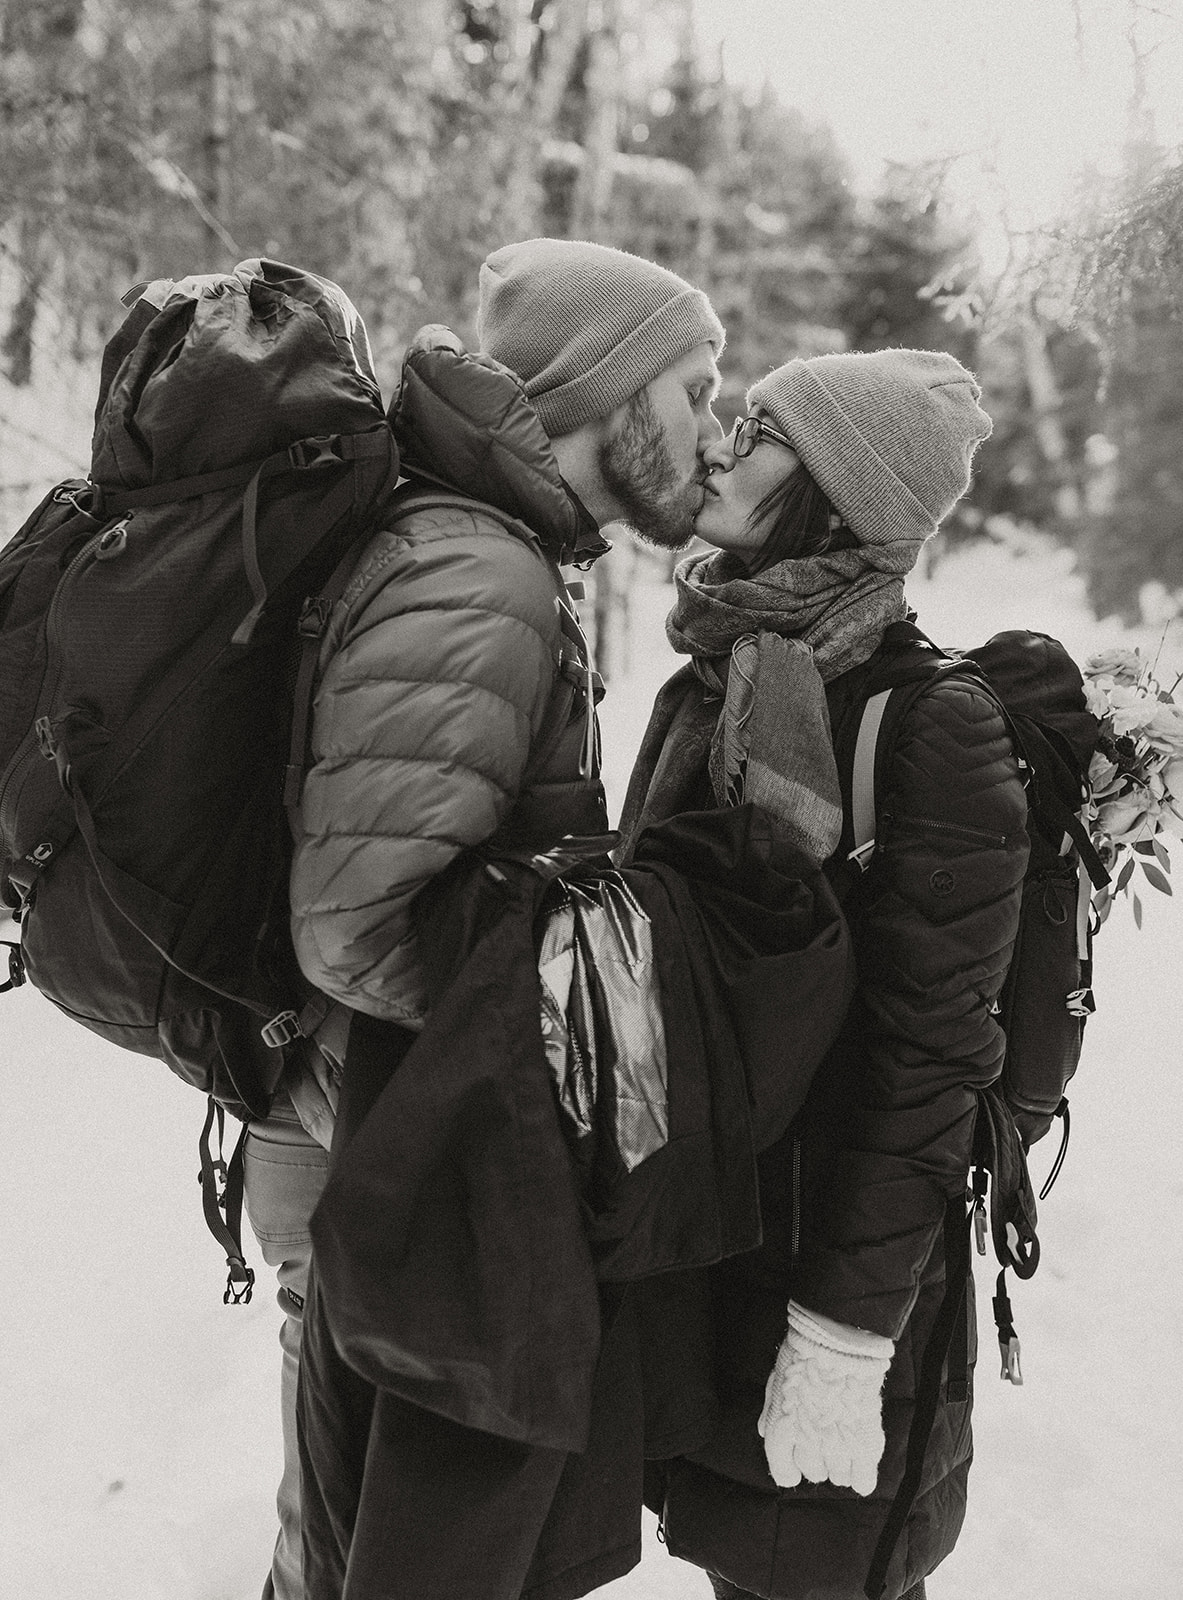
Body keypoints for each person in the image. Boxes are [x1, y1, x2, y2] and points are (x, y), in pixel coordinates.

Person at [240, 236, 725, 1600]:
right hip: (372, 1133)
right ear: (606, 394)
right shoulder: (478, 576)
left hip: (381, 1123)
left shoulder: (506, 552)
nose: (710, 425)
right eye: (693, 387)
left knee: (354, 1530)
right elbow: (356, 924)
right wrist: (568, 1026)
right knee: (351, 1546)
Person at [618, 349, 1030, 1600]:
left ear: (839, 494)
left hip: (828, 1276)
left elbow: (932, 1054)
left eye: (759, 431)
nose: (722, 448)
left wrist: (841, 1339)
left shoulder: (927, 724)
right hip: (711, 1243)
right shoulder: (721, 671)